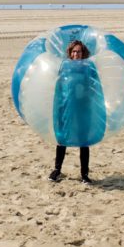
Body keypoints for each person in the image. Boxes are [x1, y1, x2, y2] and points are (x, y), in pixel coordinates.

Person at [48, 40, 93, 184]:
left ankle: (84, 174)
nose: (76, 54)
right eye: (74, 51)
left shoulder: (88, 67)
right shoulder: (64, 66)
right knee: (62, 139)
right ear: (70, 53)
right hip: (66, 106)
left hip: (82, 108)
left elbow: (93, 87)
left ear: (83, 53)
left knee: (83, 141)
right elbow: (59, 87)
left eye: (78, 51)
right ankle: (57, 170)